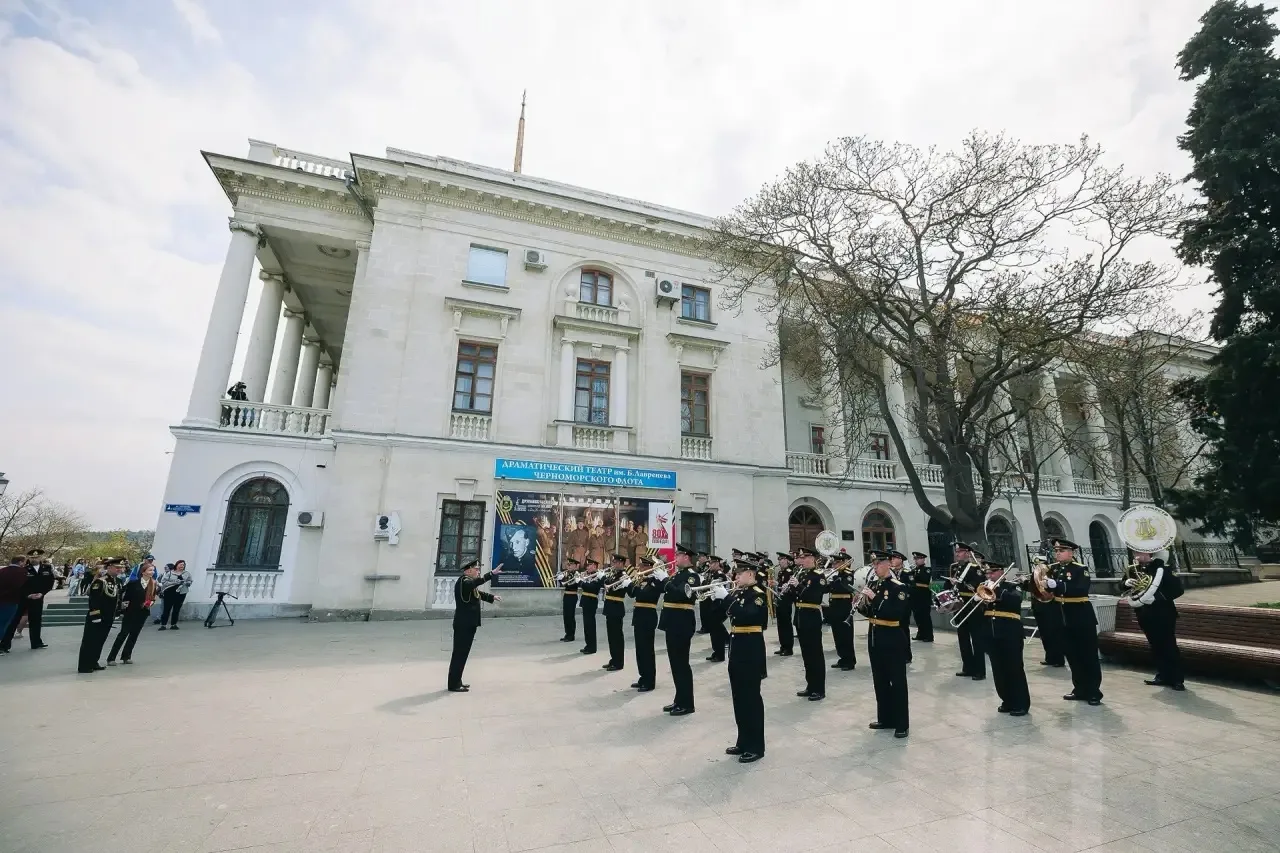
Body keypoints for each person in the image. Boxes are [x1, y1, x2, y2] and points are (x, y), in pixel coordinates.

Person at [1046, 539, 1103, 706]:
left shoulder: (1080, 569)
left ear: (1071, 552)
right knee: (1072, 656)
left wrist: (1058, 585)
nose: (1057, 553)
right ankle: (1079, 689)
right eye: (1056, 550)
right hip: (1062, 617)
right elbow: (1047, 590)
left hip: (1080, 616)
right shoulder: (1053, 569)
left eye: (1061, 550)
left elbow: (1080, 589)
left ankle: (1093, 692)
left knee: (1088, 655)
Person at [722, 559, 768, 763]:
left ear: (750, 574)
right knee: (738, 696)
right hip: (737, 647)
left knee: (751, 697)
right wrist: (720, 599)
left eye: (739, 574)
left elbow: (749, 615)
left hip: (751, 647)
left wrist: (727, 599)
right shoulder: (738, 593)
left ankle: (756, 746)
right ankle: (743, 741)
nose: (736, 577)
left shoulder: (758, 594)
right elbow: (720, 616)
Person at [862, 550, 910, 738]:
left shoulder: (899, 587)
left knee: (897, 681)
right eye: (873, 565)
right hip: (875, 636)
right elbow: (871, 612)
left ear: (888, 564)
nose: (875, 568)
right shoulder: (875, 584)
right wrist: (863, 602)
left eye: (878, 564)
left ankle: (901, 723)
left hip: (892, 637)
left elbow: (894, 612)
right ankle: (885, 718)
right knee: (879, 680)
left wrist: (875, 598)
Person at [1127, 551, 1185, 691]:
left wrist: (1157, 598)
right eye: (1135, 552)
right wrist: (1126, 582)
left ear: (1148, 553)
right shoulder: (1134, 569)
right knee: (1155, 646)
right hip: (1144, 614)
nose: (1135, 554)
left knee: (1169, 646)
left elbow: (1178, 589)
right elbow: (1122, 587)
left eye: (1138, 552)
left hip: (1163, 614)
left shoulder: (1163, 569)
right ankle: (1163, 675)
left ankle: (1177, 679)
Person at [982, 561, 1030, 716]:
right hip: (991, 632)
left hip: (1010, 633)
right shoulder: (984, 587)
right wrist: (979, 599)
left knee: (1014, 668)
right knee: (998, 669)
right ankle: (1007, 700)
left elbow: (1015, 600)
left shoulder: (1010, 586)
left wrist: (997, 589)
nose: (989, 576)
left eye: (993, 572)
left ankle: (1021, 703)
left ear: (1001, 572)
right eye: (987, 573)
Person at [447, 560, 502, 692]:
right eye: (476, 569)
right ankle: (453, 684)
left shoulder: (468, 583)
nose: (478, 571)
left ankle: (457, 681)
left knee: (462, 654)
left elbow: (478, 594)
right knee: (459, 654)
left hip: (468, 624)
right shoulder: (464, 582)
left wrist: (492, 597)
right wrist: (491, 574)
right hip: (463, 625)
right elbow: (473, 584)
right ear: (468, 570)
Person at [659, 543, 699, 716]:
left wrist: (666, 581)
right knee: (675, 664)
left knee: (681, 664)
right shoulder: (679, 574)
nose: (675, 558)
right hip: (672, 622)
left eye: (678, 555)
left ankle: (687, 703)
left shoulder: (692, 576)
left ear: (686, 557)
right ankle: (679, 699)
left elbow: (681, 594)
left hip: (681, 623)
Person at [792, 546, 828, 701]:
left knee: (815, 655)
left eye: (805, 557)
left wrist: (797, 586)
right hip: (801, 616)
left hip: (811, 617)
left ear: (813, 558)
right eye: (801, 557)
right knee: (806, 654)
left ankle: (819, 689)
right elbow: (798, 596)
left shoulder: (818, 576)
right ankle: (810, 685)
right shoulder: (803, 574)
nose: (802, 560)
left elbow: (812, 596)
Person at [78, 558, 124, 673]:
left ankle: (94, 662)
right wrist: (95, 616)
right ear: (109, 568)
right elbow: (94, 600)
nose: (119, 569)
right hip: (97, 617)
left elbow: (117, 599)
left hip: (108, 617)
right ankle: (84, 666)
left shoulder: (117, 581)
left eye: (120, 567)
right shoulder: (100, 581)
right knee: (90, 641)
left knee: (100, 641)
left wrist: (117, 612)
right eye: (116, 567)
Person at [107, 562, 157, 665]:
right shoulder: (133, 583)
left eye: (153, 570)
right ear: (143, 572)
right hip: (130, 612)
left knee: (134, 635)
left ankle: (126, 656)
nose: (152, 572)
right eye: (150, 570)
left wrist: (150, 603)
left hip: (143, 613)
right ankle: (111, 658)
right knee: (123, 634)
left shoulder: (153, 584)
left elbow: (153, 598)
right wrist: (123, 609)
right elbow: (126, 598)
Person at [949, 543, 986, 680]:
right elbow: (951, 586)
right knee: (963, 639)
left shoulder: (975, 569)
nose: (957, 554)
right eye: (956, 551)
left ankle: (980, 671)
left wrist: (960, 583)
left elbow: (977, 586)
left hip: (972, 606)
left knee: (976, 639)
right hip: (960, 606)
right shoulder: (956, 568)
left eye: (960, 551)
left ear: (968, 553)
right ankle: (968, 667)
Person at [627, 556, 664, 692]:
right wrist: (630, 583)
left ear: (649, 567)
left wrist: (636, 585)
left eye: (643, 566)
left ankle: (649, 681)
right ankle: (643, 677)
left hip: (648, 616)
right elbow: (631, 594)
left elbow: (647, 595)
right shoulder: (641, 580)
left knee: (647, 650)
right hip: (638, 616)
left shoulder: (655, 582)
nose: (640, 569)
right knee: (640, 649)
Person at [1029, 554, 1066, 667]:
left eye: (1039, 562)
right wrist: (1023, 582)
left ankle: (1059, 659)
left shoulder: (1051, 573)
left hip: (1050, 607)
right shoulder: (1035, 574)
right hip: (1038, 607)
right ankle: (1049, 657)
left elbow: (1051, 589)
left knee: (1054, 634)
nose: (1037, 565)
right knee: (1045, 634)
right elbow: (1032, 588)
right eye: (1035, 563)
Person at [825, 552, 856, 671]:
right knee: (837, 634)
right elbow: (827, 589)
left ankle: (849, 660)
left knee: (846, 635)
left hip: (844, 606)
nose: (834, 564)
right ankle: (842, 658)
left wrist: (833, 580)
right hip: (834, 606)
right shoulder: (835, 574)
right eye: (834, 562)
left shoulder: (848, 574)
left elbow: (845, 587)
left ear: (843, 562)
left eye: (837, 562)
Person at [601, 554, 629, 672]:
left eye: (617, 563)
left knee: (617, 637)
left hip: (617, 607)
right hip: (610, 607)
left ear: (622, 563)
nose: (614, 564)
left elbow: (612, 588)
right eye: (614, 562)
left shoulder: (623, 576)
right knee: (611, 636)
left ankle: (619, 662)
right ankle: (613, 659)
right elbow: (606, 583)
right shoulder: (613, 574)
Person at [888, 550, 913, 663]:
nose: (892, 560)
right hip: (893, 605)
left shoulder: (907, 573)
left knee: (903, 630)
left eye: (894, 558)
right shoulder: (891, 573)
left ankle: (906, 655)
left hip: (904, 605)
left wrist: (900, 585)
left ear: (900, 560)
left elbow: (912, 587)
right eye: (891, 558)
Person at [703, 556, 729, 663]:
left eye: (713, 563)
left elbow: (717, 589)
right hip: (712, 604)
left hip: (719, 605)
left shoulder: (720, 575)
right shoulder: (711, 574)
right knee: (713, 631)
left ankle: (720, 654)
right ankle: (716, 652)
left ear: (718, 563)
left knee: (717, 631)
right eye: (710, 563)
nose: (710, 565)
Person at [0, 556, 27, 655]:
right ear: (20, 562)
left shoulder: (2, 571)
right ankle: (2, 644)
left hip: (1, 600)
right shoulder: (22, 572)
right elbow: (22, 586)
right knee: (6, 624)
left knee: (1, 622)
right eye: (24, 562)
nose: (24, 564)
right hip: (12, 600)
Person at [772, 552, 796, 656]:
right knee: (780, 624)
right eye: (779, 559)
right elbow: (781, 585)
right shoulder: (781, 572)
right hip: (780, 599)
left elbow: (789, 586)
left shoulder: (789, 572)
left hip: (786, 600)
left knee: (786, 624)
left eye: (781, 559)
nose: (780, 561)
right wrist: (776, 585)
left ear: (786, 560)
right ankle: (783, 646)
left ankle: (788, 648)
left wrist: (779, 585)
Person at [578, 558, 603, 655]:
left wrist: (581, 582)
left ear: (595, 566)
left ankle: (592, 647)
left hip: (591, 601)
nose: (587, 567)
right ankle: (588, 645)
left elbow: (591, 588)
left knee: (590, 625)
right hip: (585, 601)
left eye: (589, 565)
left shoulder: (598, 577)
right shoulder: (588, 575)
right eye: (587, 565)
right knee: (586, 625)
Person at [158, 560, 192, 630]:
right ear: (176, 565)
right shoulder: (170, 573)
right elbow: (163, 581)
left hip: (181, 593)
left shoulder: (187, 573)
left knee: (176, 609)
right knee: (166, 609)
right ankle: (163, 625)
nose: (182, 566)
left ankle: (174, 624)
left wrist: (186, 583)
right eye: (180, 564)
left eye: (183, 565)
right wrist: (174, 582)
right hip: (169, 593)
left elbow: (190, 581)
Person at [908, 552, 934, 642]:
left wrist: (914, 576)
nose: (916, 561)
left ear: (923, 559)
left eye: (918, 559)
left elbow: (924, 579)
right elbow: (910, 579)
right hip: (915, 597)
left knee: (925, 617)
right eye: (915, 559)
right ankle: (921, 634)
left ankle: (929, 636)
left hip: (924, 597)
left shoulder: (927, 569)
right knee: (917, 616)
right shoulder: (914, 570)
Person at [556, 557, 580, 643]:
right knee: (566, 616)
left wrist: (563, 579)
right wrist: (560, 578)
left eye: (571, 565)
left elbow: (570, 585)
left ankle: (571, 635)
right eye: (568, 565)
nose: (569, 566)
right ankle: (567, 633)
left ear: (575, 566)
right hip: (566, 596)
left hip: (572, 596)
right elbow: (564, 585)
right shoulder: (567, 573)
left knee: (570, 616)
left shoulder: (577, 574)